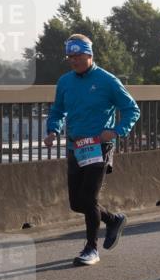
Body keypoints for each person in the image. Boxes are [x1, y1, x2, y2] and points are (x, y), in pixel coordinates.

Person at [44, 35, 140, 266]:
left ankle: (91, 248)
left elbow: (131, 109)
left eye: (78, 56)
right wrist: (53, 131)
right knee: (76, 203)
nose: (73, 60)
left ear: (89, 54)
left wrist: (117, 131)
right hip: (76, 146)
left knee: (89, 197)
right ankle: (113, 219)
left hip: (99, 146)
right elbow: (57, 111)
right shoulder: (65, 82)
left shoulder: (107, 80)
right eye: (70, 56)